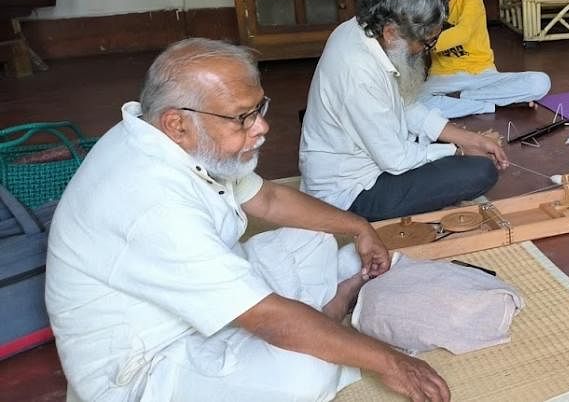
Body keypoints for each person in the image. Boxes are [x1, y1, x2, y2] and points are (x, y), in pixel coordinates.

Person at [45, 39, 449, 402]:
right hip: (145, 365)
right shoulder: (153, 203)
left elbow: (269, 198)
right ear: (177, 123)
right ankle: (333, 307)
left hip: (190, 299)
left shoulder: (171, 137)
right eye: (242, 117)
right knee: (303, 374)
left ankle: (317, 319)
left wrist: (359, 226)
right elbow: (267, 318)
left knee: (315, 237)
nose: (262, 127)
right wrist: (391, 363)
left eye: (259, 109)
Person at [301, 0, 509, 222]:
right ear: (391, 33)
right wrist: (457, 151)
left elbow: (404, 104)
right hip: (351, 194)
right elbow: (396, 159)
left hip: (375, 161)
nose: (425, 50)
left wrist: (468, 138)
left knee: (461, 160)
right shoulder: (358, 73)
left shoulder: (362, 29)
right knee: (481, 172)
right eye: (426, 42)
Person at [412, 0, 551, 118]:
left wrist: (422, 43)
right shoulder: (422, 3)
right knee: (415, 104)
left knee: (540, 83)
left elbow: (464, 33)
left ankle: (461, 99)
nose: (430, 0)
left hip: (481, 76)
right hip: (443, 79)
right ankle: (490, 104)